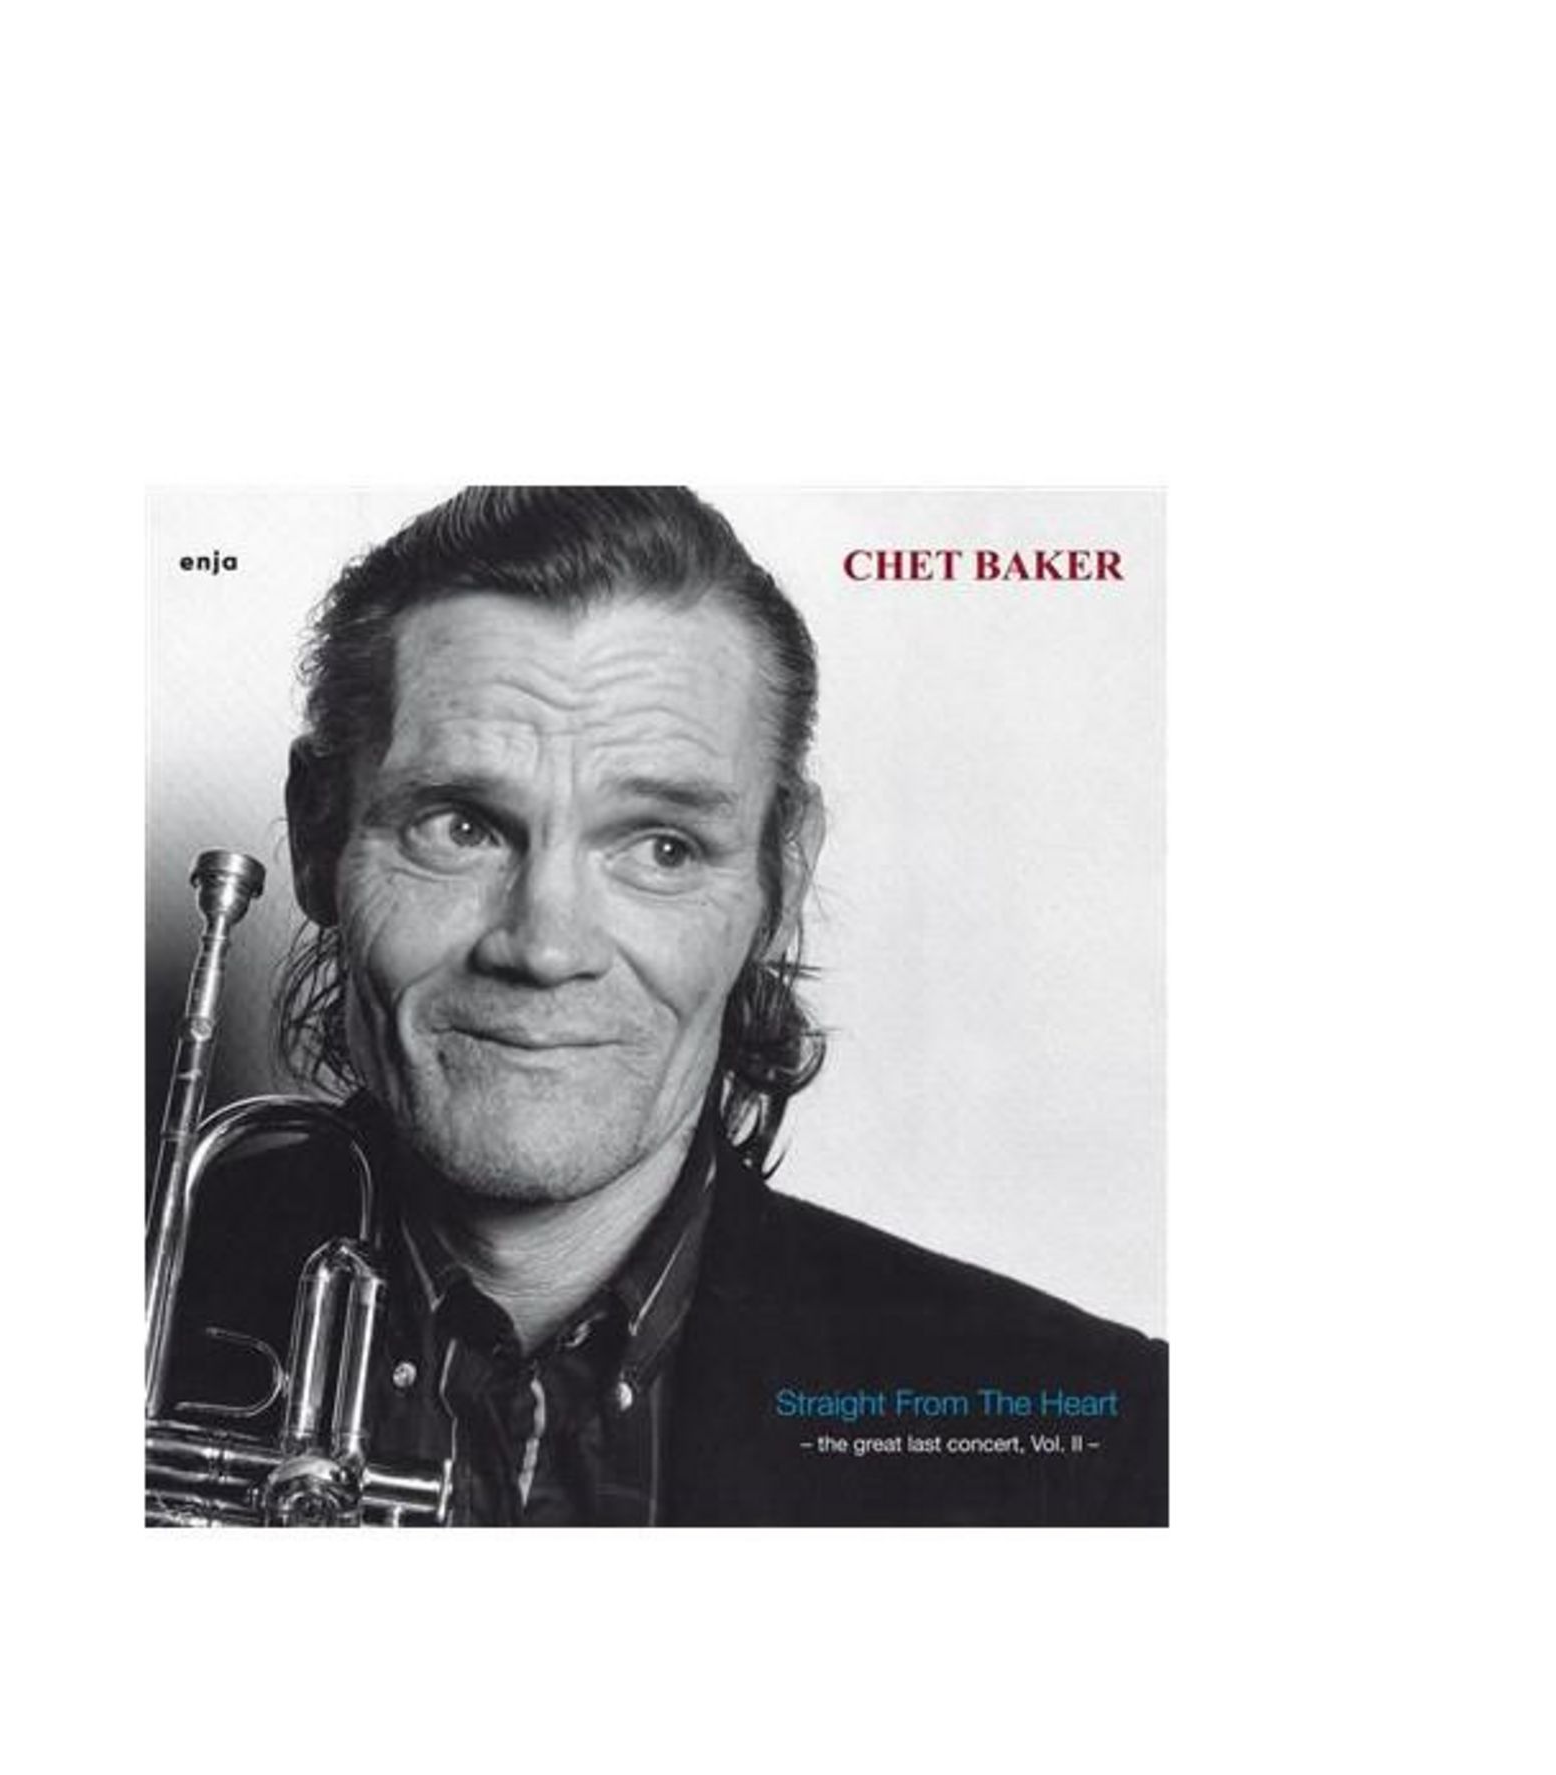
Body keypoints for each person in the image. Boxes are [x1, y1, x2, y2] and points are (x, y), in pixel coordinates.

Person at [175, 486, 1165, 1525]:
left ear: (781, 879)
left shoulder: (1105, 1453)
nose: (544, 947)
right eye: (460, 826)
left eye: (661, 847)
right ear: (317, 834)